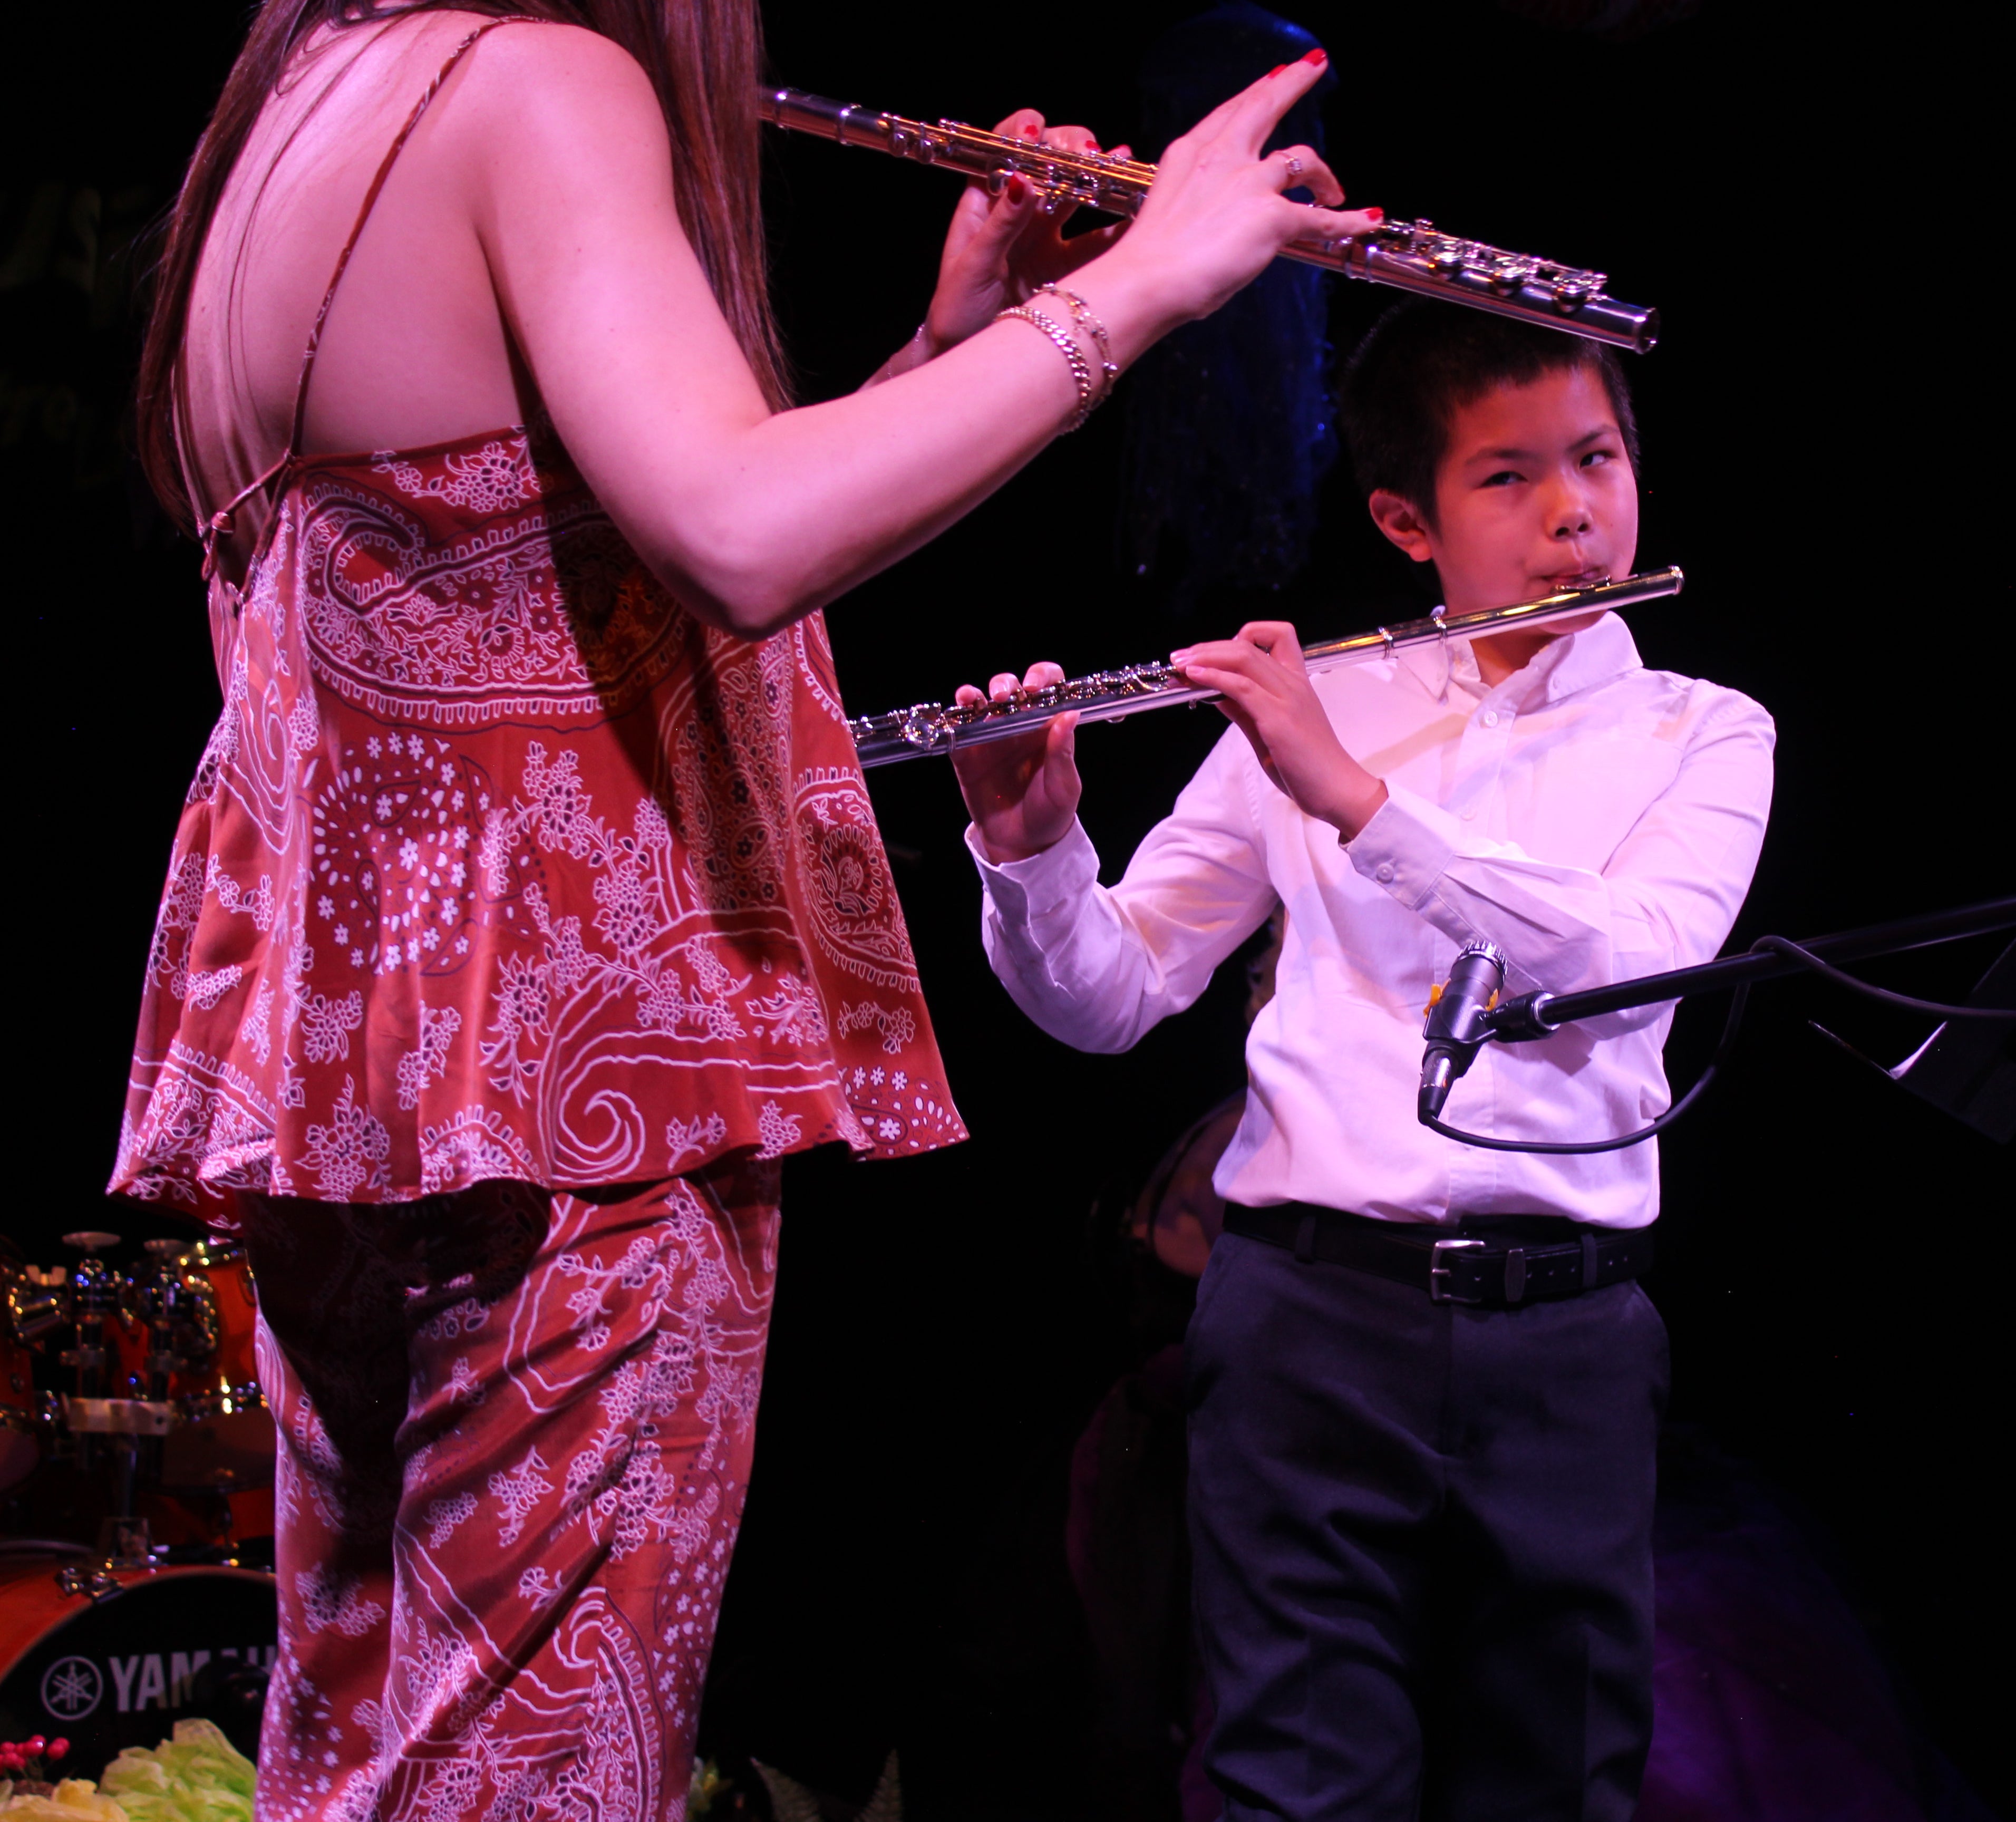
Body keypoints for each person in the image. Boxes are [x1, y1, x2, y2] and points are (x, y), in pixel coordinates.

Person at [117, 0, 1373, 1807]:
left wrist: (967, 344)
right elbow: (737, 534)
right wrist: (1156, 280)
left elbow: (550, 582)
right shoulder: (540, 79)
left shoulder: (303, 95)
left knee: (367, 1749)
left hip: (391, 1077)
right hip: (579, 1080)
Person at [953, 302, 1776, 1820]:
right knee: (1288, 1787)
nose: (1575, 513)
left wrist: (1355, 803)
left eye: (1597, 459)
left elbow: (1625, 966)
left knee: (1555, 1786)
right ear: (1408, 520)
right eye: (1509, 479)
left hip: (1567, 1342)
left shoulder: (1703, 734)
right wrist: (1033, 855)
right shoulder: (1318, 703)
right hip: (1308, 1325)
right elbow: (1114, 994)